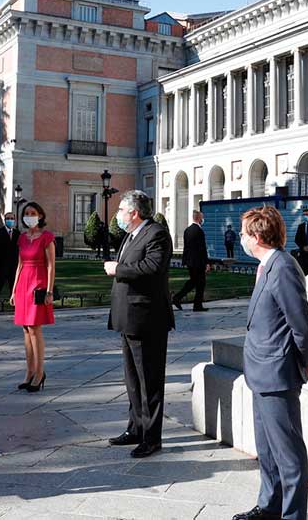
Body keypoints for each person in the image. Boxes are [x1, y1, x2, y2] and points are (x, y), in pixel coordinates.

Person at [233, 205, 308, 520]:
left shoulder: (282, 267)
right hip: (260, 372)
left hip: (277, 373)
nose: (241, 238)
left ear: (256, 236)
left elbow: (301, 324)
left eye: (244, 233)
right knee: (267, 450)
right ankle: (269, 506)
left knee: (288, 452)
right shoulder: (266, 266)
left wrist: (304, 360)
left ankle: (292, 515)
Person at [104, 190, 175, 458]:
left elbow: (152, 268)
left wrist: (117, 269)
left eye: (121, 210)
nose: (118, 215)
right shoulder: (131, 235)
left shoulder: (156, 233)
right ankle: (135, 427)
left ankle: (151, 437)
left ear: (134, 213)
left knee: (149, 381)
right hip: (128, 317)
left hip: (148, 318)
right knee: (132, 379)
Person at [10, 202, 55, 391]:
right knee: (26, 330)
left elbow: (51, 265)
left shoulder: (47, 237)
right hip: (23, 284)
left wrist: (49, 291)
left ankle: (39, 372)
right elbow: (19, 265)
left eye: (33, 213)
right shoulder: (21, 238)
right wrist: (13, 290)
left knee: (35, 329)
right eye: (26, 213)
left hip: (38, 284)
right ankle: (29, 372)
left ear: (41, 215)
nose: (29, 216)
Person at [173, 210, 210, 312]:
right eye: (202, 217)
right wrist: (206, 262)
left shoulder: (187, 230)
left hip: (190, 261)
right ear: (199, 218)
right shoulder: (199, 231)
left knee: (193, 281)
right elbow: (202, 248)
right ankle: (196, 305)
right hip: (198, 261)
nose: (203, 219)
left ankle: (178, 297)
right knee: (200, 283)